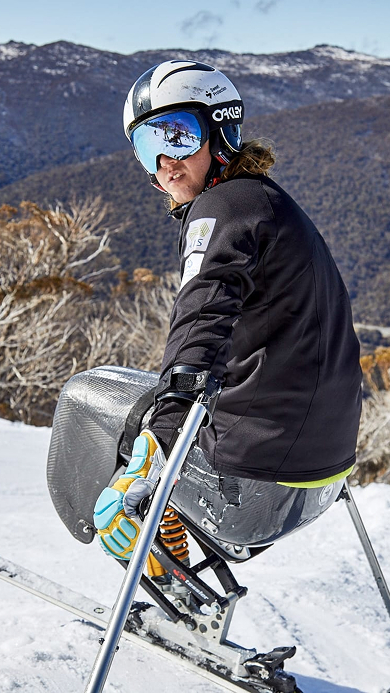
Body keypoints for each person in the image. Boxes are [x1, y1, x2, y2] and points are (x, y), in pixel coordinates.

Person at [93, 60, 362, 561]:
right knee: (138, 398)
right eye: (147, 148)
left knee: (89, 398)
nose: (165, 164)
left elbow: (203, 314)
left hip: (255, 488)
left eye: (178, 137)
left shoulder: (223, 208)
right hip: (322, 476)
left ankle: (158, 569)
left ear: (221, 130)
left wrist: (162, 435)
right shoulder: (265, 202)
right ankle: (173, 561)